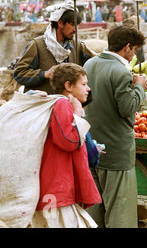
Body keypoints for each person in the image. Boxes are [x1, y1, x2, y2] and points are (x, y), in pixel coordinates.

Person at [84, 25, 147, 228]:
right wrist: (139, 86)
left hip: (92, 146)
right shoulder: (120, 71)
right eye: (135, 49)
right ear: (127, 47)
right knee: (119, 210)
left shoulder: (89, 64)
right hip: (116, 151)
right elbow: (127, 108)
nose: (134, 54)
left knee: (95, 207)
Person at [31, 63, 101, 228]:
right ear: (68, 86)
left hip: (57, 190)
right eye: (83, 84)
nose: (88, 88)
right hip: (54, 191)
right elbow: (68, 142)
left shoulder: (60, 104)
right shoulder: (62, 104)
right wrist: (77, 113)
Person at [14, 0, 95, 95]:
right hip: (44, 105)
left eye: (76, 26)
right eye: (72, 24)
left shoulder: (77, 46)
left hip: (68, 106)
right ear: (60, 23)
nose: (75, 30)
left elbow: (95, 63)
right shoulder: (37, 45)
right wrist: (44, 74)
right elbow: (19, 73)